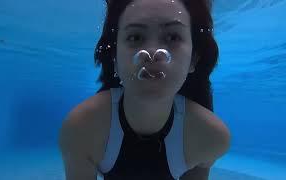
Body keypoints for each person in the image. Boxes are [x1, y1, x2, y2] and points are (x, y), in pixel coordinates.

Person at [59, 0, 231, 179]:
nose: (152, 52)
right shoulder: (82, 129)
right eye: (135, 37)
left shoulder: (210, 138)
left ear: (194, 59)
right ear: (114, 59)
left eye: (172, 37)